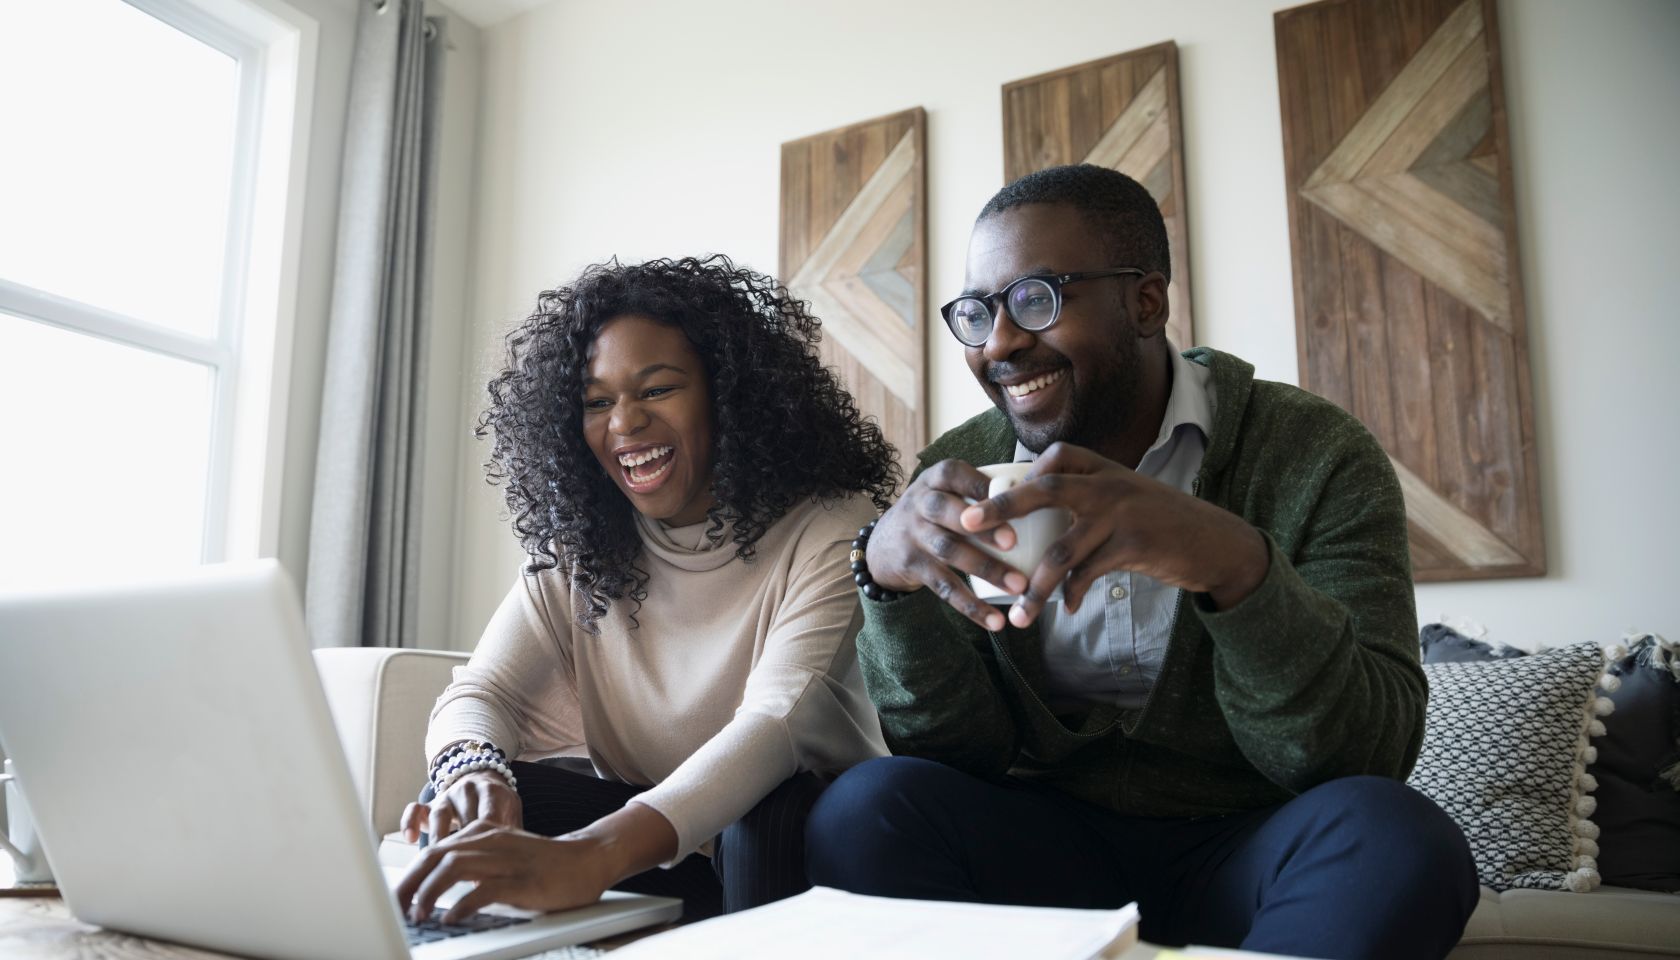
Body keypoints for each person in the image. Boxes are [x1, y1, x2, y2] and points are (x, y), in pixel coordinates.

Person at [805, 165, 1479, 959]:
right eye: (979, 313)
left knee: (1399, 837)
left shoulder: (1312, 453)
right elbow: (957, 754)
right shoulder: (960, 469)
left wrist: (1235, 566)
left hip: (1250, 848)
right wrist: (886, 583)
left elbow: (1365, 754)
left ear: (1146, 301)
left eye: (1037, 300)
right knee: (866, 807)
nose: (1001, 344)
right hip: (1044, 854)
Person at [396, 255, 898, 925]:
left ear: (729, 395)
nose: (624, 423)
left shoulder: (835, 525)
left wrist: (591, 857)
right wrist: (475, 773)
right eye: (598, 402)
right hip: (665, 846)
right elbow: (483, 692)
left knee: (763, 815)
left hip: (795, 850)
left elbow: (779, 721)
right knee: (474, 801)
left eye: (657, 389)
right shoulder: (585, 546)